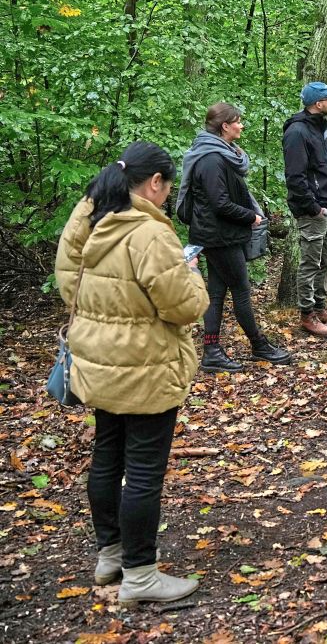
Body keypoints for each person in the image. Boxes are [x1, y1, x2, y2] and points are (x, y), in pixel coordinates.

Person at [55, 142, 210, 606]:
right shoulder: (148, 232)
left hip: (96, 360)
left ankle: (112, 555)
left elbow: (68, 284)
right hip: (145, 366)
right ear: (154, 182)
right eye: (167, 187)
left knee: (108, 455)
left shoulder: (86, 217)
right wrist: (191, 270)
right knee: (143, 471)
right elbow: (185, 306)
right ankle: (141, 576)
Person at [179, 102, 291, 372]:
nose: (241, 125)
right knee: (241, 290)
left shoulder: (222, 153)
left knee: (216, 293)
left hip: (219, 234)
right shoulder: (211, 158)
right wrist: (250, 217)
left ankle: (212, 351)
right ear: (224, 126)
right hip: (219, 236)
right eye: (238, 121)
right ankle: (259, 345)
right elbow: (219, 203)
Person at [283, 81, 327, 337]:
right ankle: (307, 315)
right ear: (318, 103)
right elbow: (295, 177)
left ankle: (320, 307)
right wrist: (313, 207)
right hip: (313, 210)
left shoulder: (321, 128)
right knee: (310, 263)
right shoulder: (297, 132)